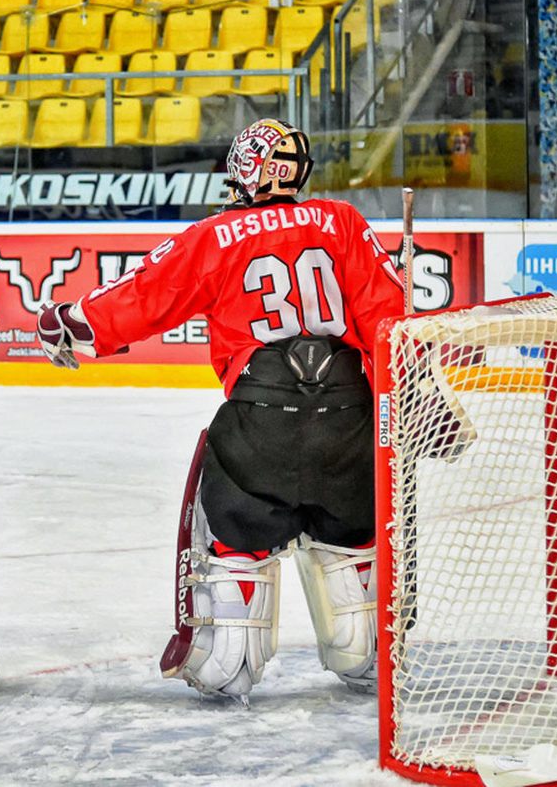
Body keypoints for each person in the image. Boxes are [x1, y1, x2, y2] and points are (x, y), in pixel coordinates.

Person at [36, 120, 407, 702]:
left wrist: (68, 322)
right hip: (349, 417)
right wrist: (419, 398)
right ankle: (363, 653)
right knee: (353, 536)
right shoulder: (343, 222)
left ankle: (230, 659)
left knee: (237, 536)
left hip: (259, 420)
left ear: (242, 167)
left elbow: (143, 295)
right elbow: (392, 321)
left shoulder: (216, 236)